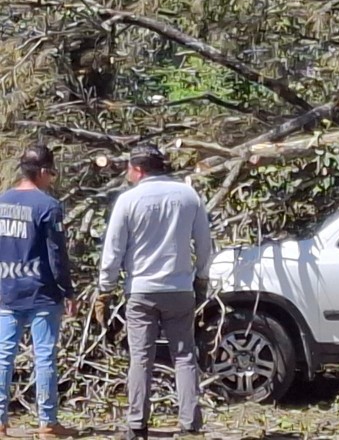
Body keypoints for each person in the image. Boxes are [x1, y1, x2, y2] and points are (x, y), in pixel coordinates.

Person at [95, 144, 212, 440]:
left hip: (141, 292)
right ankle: (190, 426)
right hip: (180, 288)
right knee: (184, 356)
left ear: (138, 169)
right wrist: (201, 278)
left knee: (141, 358)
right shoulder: (188, 195)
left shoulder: (128, 200)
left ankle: (137, 425)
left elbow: (114, 250)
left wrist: (105, 290)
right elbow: (204, 243)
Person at [0, 145, 75, 438]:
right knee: (44, 357)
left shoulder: (2, 202)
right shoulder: (48, 206)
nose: (52, 179)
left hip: (6, 290)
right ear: (44, 171)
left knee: (4, 356)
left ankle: (1, 422)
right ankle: (47, 422)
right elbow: (57, 254)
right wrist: (67, 290)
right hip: (42, 292)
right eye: (52, 173)